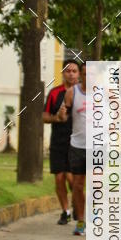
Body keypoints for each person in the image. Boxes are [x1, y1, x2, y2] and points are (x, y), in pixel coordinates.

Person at [43, 60, 79, 224]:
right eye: (67, 71)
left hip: (77, 143)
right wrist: (57, 118)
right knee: (59, 178)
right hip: (58, 141)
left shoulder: (85, 93)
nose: (71, 74)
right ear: (63, 73)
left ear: (79, 74)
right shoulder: (54, 93)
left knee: (72, 179)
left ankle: (78, 206)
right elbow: (44, 116)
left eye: (74, 71)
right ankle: (65, 211)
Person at [62, 61, 87, 236]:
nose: (88, 77)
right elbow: (64, 116)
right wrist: (61, 114)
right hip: (77, 145)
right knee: (78, 186)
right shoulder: (72, 92)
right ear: (81, 75)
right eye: (85, 73)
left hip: (99, 146)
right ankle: (81, 221)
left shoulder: (105, 93)